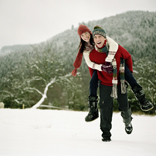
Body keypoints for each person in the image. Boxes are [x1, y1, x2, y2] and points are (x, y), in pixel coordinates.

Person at [71, 25, 154, 122]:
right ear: (80, 38)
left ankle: (143, 100)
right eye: (82, 36)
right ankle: (93, 110)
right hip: (100, 68)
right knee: (92, 83)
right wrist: (102, 67)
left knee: (129, 77)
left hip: (115, 62)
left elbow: (114, 45)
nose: (85, 37)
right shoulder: (85, 49)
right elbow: (89, 63)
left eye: (86, 33)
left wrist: (108, 60)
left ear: (90, 32)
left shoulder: (98, 36)